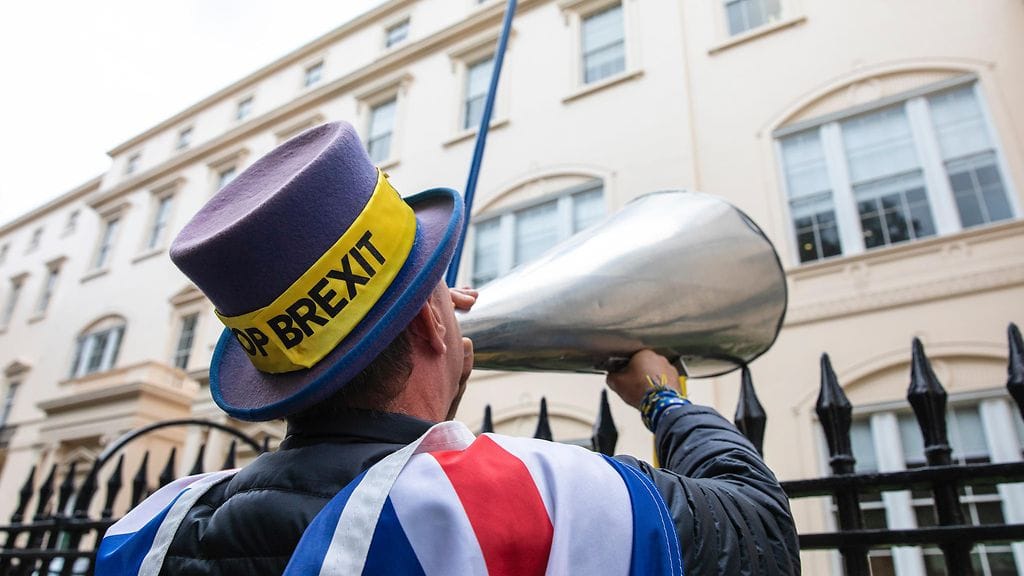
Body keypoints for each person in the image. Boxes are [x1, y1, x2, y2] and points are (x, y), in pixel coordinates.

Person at [96, 121, 800, 575]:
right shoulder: (518, 500)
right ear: (435, 328)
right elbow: (760, 530)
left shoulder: (152, 526)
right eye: (441, 289)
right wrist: (662, 397)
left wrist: (428, 368)